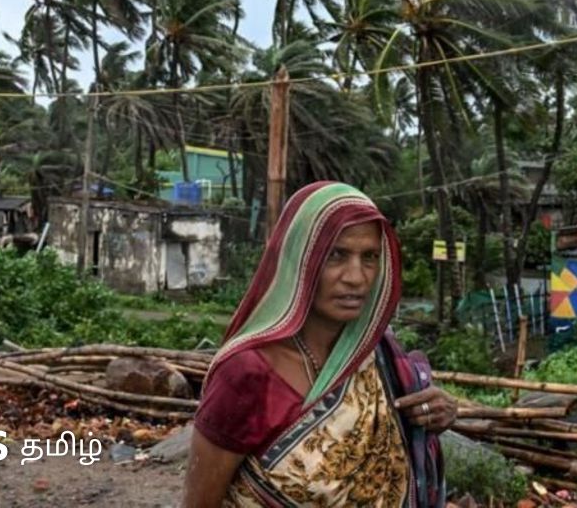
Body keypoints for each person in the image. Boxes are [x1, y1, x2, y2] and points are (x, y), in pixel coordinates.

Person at [183, 181, 456, 507]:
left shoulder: (378, 357)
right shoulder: (248, 373)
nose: (356, 277)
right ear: (299, 260)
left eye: (369, 257)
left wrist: (440, 413)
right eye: (336, 255)